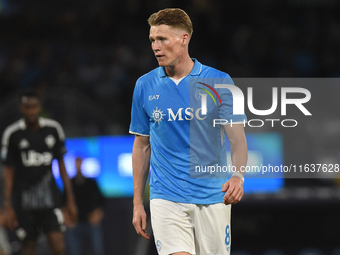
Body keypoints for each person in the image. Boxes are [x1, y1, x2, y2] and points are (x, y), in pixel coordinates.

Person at [129, 8, 248, 255]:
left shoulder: (218, 80)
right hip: (166, 197)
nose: (155, 46)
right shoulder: (144, 85)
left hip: (214, 196)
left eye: (162, 39)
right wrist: (138, 203)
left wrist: (238, 176)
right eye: (152, 40)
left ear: (184, 39)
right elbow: (142, 145)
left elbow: (236, 138)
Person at [1, 89, 77, 255]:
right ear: (21, 108)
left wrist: (70, 199)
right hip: (24, 203)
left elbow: (62, 166)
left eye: (34, 107)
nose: (30, 111)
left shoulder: (53, 129)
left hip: (50, 201)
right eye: (27, 107)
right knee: (28, 249)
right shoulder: (12, 134)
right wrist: (8, 205)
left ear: (39, 107)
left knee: (58, 246)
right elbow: (8, 171)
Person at [64, 156, 105, 255]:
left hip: (90, 222)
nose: (78, 166)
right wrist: (66, 217)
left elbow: (102, 200)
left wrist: (98, 214)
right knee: (73, 251)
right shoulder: (69, 184)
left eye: (80, 163)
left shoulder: (91, 182)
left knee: (97, 250)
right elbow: (62, 202)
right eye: (76, 163)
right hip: (74, 223)